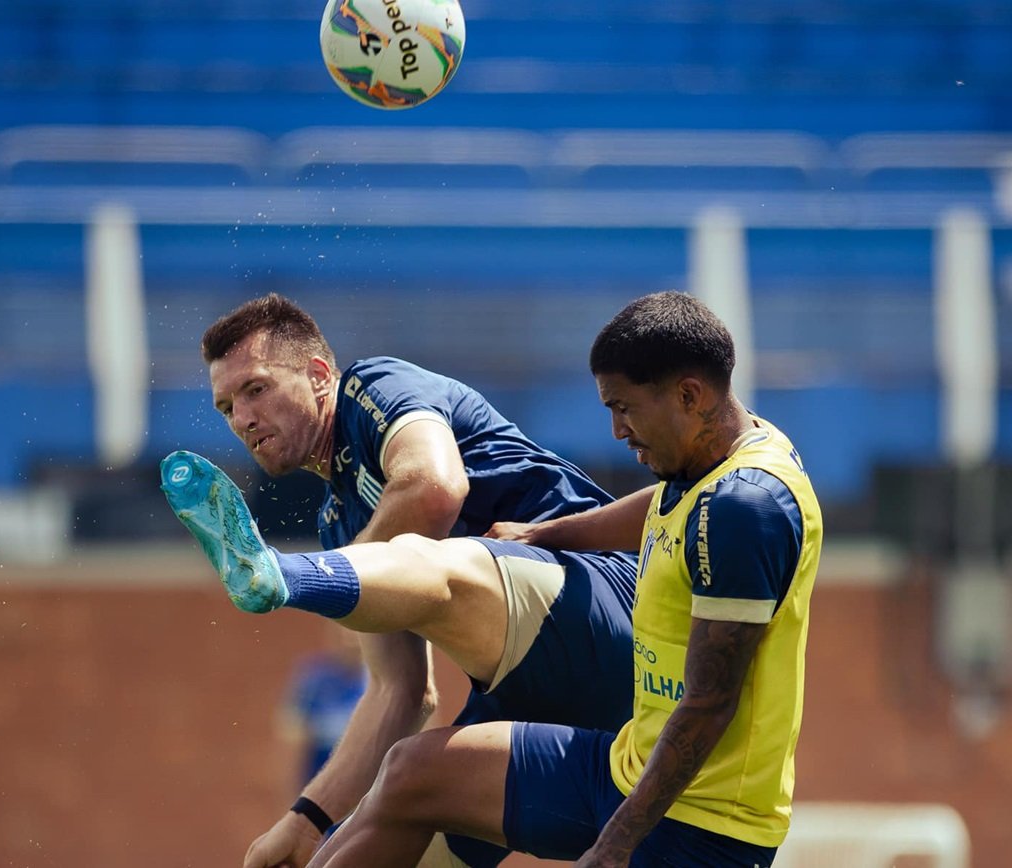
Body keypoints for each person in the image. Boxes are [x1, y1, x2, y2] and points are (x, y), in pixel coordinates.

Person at [282, 291, 820, 866]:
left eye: (625, 408)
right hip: (623, 768)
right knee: (414, 771)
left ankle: (285, 576)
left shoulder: (745, 509)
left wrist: (615, 843)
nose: (617, 430)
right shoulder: (715, 457)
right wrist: (544, 534)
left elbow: (711, 704)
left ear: (689, 395)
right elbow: (664, 505)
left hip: (699, 826)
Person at [168, 293, 642, 868]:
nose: (242, 418)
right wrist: (306, 820)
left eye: (256, 389)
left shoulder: (375, 388)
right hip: (571, 720)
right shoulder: (337, 525)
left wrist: (331, 571)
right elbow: (402, 693)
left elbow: (434, 488)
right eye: (226, 408)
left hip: (605, 608)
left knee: (428, 552)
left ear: (319, 375)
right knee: (385, 830)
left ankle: (278, 575)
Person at [280, 625, 368, 790]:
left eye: (356, 637)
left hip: (366, 777)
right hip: (319, 773)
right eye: (345, 637)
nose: (351, 643)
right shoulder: (314, 678)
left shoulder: (382, 681)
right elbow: (293, 732)